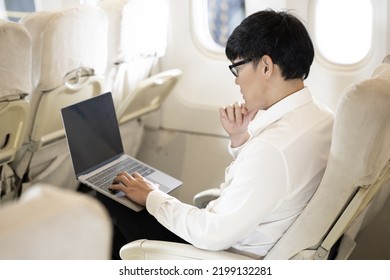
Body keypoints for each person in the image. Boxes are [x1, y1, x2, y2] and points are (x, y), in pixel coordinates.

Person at [103, 9, 334, 259]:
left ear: (266, 66)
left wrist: (152, 196)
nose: (236, 81)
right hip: (234, 232)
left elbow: (211, 235)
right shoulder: (322, 116)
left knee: (109, 194)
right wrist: (240, 139)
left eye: (238, 68)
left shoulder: (272, 149)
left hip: (220, 255)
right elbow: (270, 185)